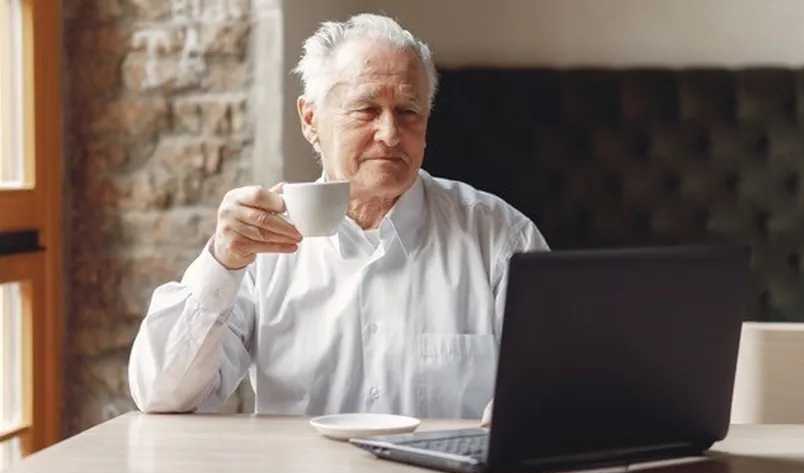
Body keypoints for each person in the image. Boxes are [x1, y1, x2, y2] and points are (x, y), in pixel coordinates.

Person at [128, 13, 549, 422]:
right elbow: (162, 396)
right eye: (366, 110)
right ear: (310, 119)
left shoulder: (501, 238)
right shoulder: (262, 243)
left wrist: (529, 412)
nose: (389, 134)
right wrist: (221, 262)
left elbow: (557, 389)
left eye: (408, 112)